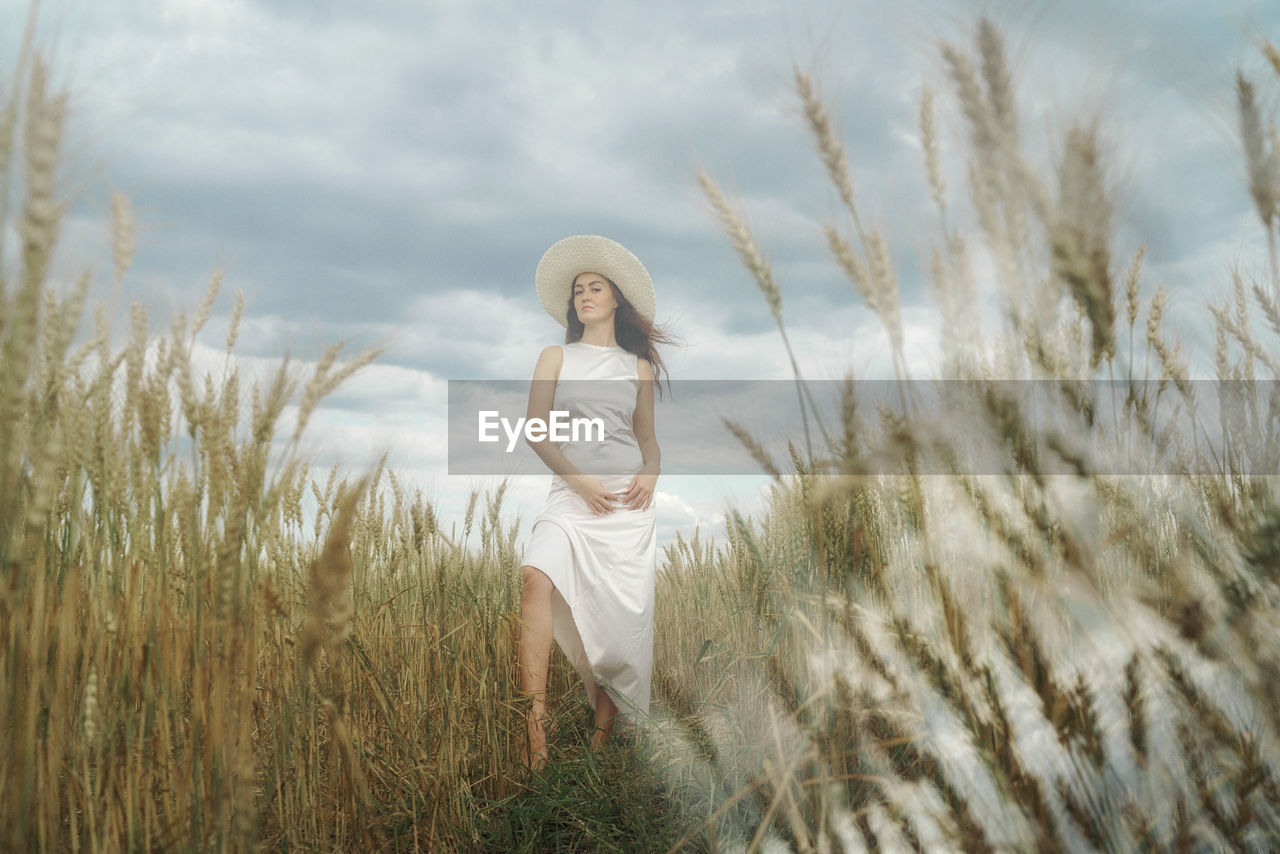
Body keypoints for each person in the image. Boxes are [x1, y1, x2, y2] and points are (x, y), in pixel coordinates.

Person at [517, 234, 674, 771]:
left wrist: (651, 471)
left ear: (615, 300)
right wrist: (580, 482)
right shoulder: (556, 355)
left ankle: (600, 745)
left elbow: (648, 439)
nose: (584, 295)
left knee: (614, 621)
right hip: (571, 494)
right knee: (535, 574)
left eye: (595, 287)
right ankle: (535, 736)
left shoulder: (637, 367)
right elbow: (537, 431)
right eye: (578, 290)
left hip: (627, 505)